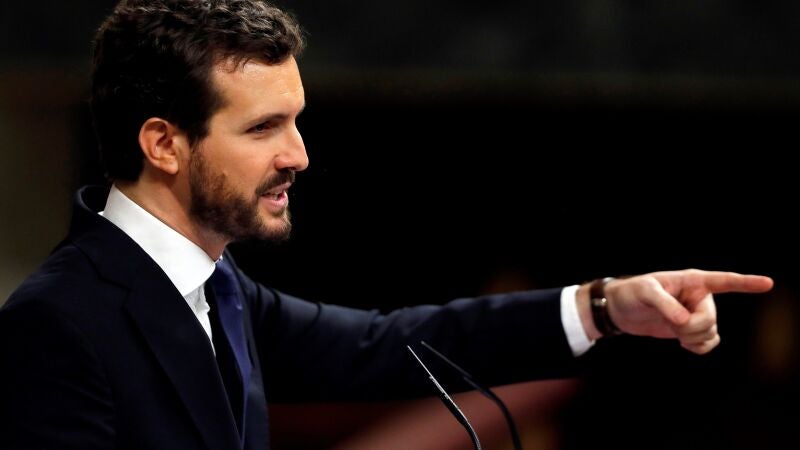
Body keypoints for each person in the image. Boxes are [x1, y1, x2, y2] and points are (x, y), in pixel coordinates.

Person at [0, 1, 773, 449]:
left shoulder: (218, 288)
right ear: (164, 144)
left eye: (296, 121)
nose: (299, 155)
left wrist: (604, 307)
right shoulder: (58, 321)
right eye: (263, 128)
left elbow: (387, 346)